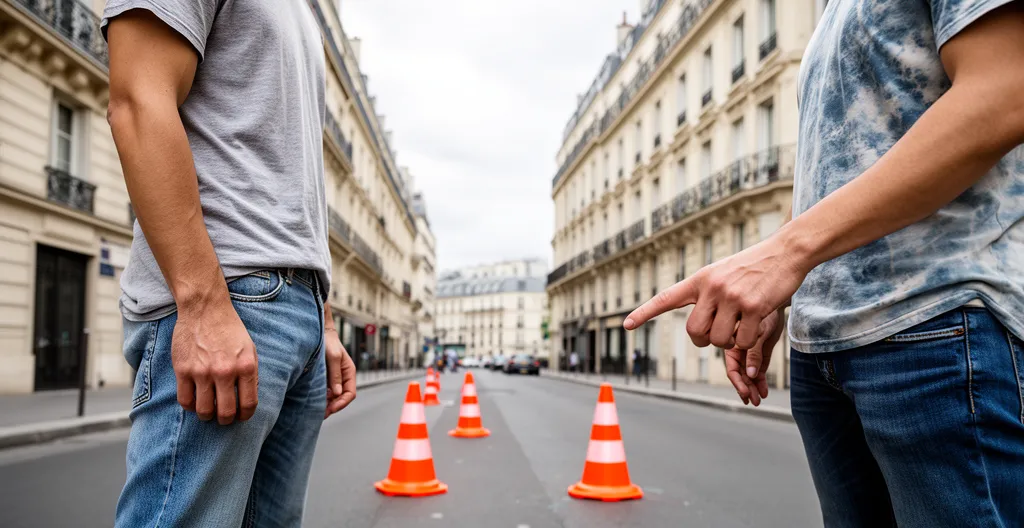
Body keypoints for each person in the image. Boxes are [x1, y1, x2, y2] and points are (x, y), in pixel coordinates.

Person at [625, 3, 1024, 526]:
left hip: (935, 325)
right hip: (825, 351)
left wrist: (784, 254)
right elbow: (830, 162)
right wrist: (779, 288)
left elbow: (1004, 94)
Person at [103, 2, 357, 526]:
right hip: (229, 298)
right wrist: (202, 305)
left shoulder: (306, 12)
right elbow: (138, 101)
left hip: (296, 314)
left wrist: (321, 317)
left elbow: (294, 170)